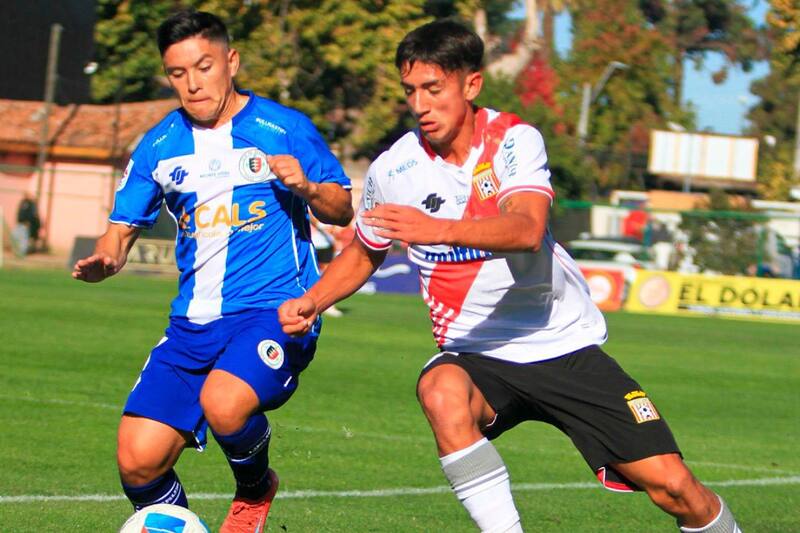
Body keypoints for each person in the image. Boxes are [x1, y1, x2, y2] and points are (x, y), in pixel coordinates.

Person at [279, 19, 741, 533]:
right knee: (440, 390)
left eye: (433, 89)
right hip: (477, 353)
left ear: (471, 84)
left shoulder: (514, 141)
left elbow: (526, 228)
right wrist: (314, 299)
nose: (420, 105)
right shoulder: (395, 168)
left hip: (564, 347)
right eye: (411, 91)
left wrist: (438, 229)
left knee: (676, 489)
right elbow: (365, 252)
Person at [72, 10, 353, 533]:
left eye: (203, 67)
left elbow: (341, 209)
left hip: (274, 312)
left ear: (231, 62)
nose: (192, 83)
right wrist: (107, 258)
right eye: (177, 73)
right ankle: (180, 523)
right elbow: (120, 229)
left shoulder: (283, 127)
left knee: (223, 403)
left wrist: (309, 189)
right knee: (137, 463)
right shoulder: (158, 146)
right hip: (191, 325)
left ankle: (253, 490)